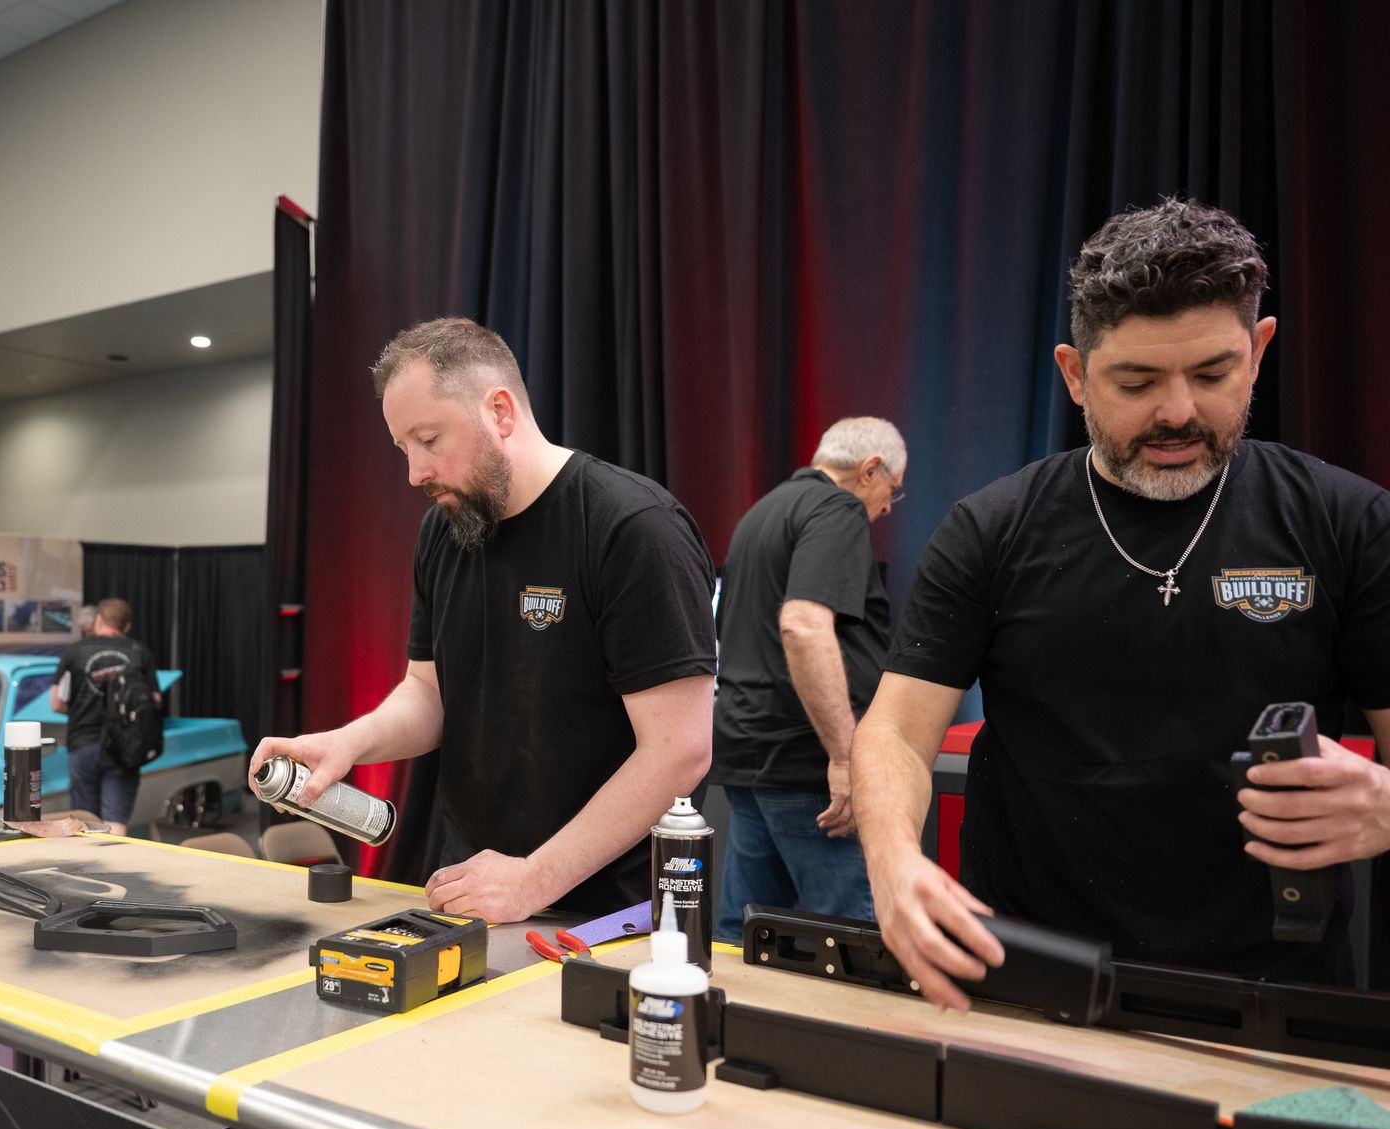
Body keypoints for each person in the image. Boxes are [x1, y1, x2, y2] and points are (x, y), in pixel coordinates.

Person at [851, 197, 1390, 1010]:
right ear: (1074, 373)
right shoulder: (993, 529)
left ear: (1259, 349)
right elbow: (893, 730)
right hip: (1033, 979)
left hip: (1276, 997)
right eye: (1136, 382)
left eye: (1213, 374)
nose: (1178, 411)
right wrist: (894, 863)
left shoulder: (1348, 521)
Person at [250, 318, 715, 922]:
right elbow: (428, 692)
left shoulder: (631, 527)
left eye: (429, 439)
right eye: (404, 449)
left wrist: (533, 880)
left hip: (611, 916)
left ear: (500, 412)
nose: (414, 473)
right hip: (475, 891)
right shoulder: (444, 532)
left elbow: (679, 751)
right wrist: (346, 744)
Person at [713, 417, 905, 939]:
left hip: (748, 754)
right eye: (892, 489)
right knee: (850, 939)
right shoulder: (837, 508)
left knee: (748, 935)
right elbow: (801, 625)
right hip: (806, 766)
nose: (888, 507)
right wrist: (844, 757)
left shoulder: (762, 512)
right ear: (870, 470)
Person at [51, 598, 158, 836]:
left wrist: (79, 709)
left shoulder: (75, 651)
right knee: (115, 821)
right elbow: (155, 701)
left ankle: (85, 871)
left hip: (83, 741)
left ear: (98, 620)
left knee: (83, 821)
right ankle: (116, 871)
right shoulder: (139, 652)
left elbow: (56, 702)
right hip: (124, 746)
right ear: (126, 627)